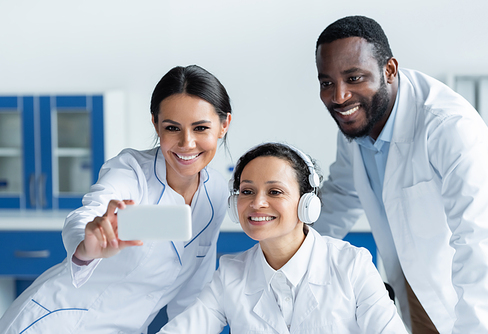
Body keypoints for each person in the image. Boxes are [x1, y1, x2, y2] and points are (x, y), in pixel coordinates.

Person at [0, 64, 232, 334]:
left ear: (223, 125)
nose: (187, 143)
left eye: (201, 127)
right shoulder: (131, 170)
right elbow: (88, 214)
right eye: (172, 128)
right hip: (55, 322)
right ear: (156, 124)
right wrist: (89, 245)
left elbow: (193, 294)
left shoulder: (216, 192)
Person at [313, 15, 488, 333]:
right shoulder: (357, 122)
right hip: (414, 297)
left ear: (389, 70)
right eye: (327, 82)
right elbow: (343, 194)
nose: (339, 96)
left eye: (354, 78)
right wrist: (291, 249)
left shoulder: (448, 128)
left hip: (468, 302)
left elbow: (481, 241)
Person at [157, 142, 407, 333]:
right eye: (247, 191)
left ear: (307, 204)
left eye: (275, 191)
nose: (257, 203)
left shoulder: (352, 266)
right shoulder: (230, 275)